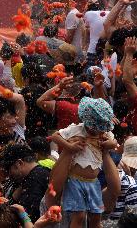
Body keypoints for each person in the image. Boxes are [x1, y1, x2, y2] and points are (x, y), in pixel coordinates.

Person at [51, 97, 119, 228]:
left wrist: (110, 144)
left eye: (99, 129)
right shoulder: (76, 130)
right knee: (79, 215)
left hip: (93, 181)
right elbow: (55, 136)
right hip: (75, 180)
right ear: (86, 122)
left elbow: (115, 143)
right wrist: (69, 146)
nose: (96, 131)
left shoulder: (104, 134)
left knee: (96, 215)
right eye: (93, 128)